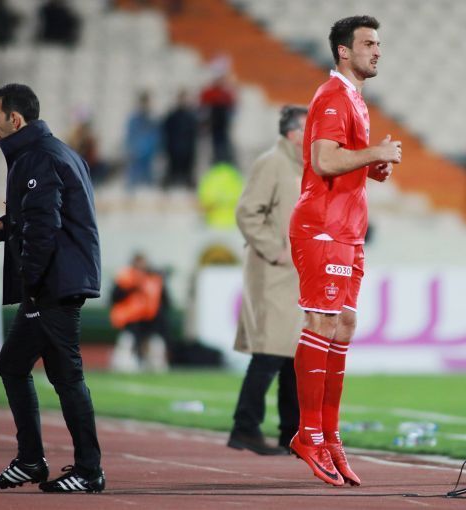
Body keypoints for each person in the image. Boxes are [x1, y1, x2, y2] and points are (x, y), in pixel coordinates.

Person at [287, 15, 401, 487]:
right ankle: (308, 434)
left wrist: (370, 167)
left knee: (344, 325)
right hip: (323, 227)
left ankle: (330, 435)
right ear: (343, 51)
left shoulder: (355, 98)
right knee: (321, 322)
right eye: (368, 43)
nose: (377, 51)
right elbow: (322, 160)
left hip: (348, 230)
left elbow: (341, 160)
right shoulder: (333, 95)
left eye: (378, 43)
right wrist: (374, 154)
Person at [0, 83, 105, 493]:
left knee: (62, 375)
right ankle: (35, 460)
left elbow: (44, 227)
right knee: (22, 367)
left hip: (52, 284)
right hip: (59, 280)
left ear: (15, 120)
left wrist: (31, 281)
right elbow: (46, 216)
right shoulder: (58, 151)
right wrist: (6, 227)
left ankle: (85, 470)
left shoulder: (37, 157)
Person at [227, 105, 307, 456]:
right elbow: (247, 212)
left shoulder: (299, 166)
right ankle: (245, 427)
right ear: (293, 133)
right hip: (273, 273)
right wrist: (275, 251)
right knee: (270, 352)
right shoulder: (272, 163)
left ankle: (292, 433)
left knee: (292, 355)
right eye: (310, 129)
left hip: (293, 275)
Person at [109, 252, 169, 372]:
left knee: (155, 344)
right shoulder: (126, 278)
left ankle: (154, 364)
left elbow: (163, 300)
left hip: (150, 319)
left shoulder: (154, 278)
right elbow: (115, 297)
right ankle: (125, 364)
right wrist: (133, 286)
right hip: (130, 320)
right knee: (127, 343)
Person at [162, 89, 199, 190]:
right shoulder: (172, 115)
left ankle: (188, 183)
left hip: (187, 148)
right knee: (172, 168)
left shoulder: (191, 116)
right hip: (174, 148)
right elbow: (166, 130)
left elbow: (194, 132)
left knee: (187, 170)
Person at [125, 91, 159, 189]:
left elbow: (156, 138)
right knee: (133, 183)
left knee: (148, 186)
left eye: (146, 102)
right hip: (135, 157)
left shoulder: (153, 121)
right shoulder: (133, 120)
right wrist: (133, 150)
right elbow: (130, 138)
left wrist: (150, 150)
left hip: (148, 158)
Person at [197, 160, 243, 228]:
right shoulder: (236, 177)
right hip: (235, 226)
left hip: (213, 225)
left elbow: (204, 206)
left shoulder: (210, 177)